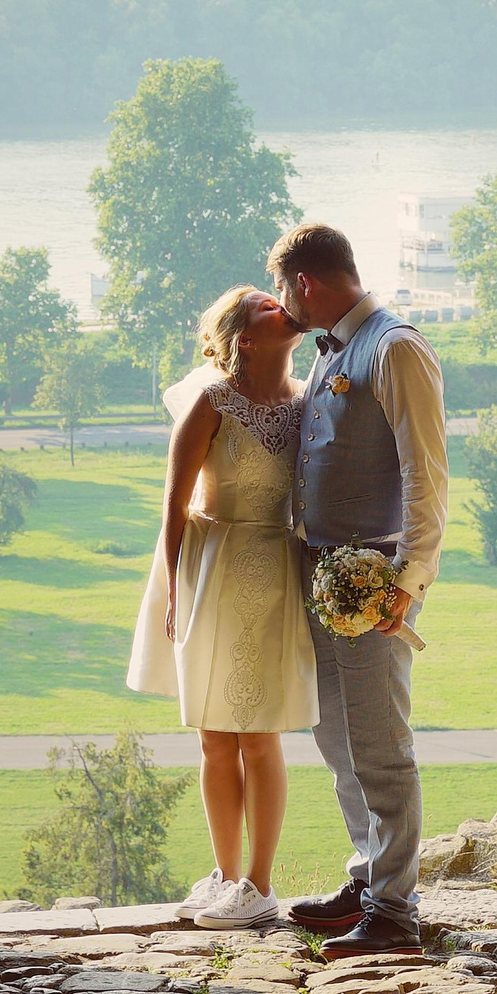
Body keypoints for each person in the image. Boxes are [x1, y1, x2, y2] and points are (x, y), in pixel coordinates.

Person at [268, 222, 448, 956]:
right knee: (336, 738)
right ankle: (367, 878)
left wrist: (406, 579)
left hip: (372, 586)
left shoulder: (394, 346)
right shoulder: (331, 350)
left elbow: (425, 474)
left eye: (284, 289)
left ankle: (395, 914)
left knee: (379, 743)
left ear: (306, 282)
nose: (283, 304)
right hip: (321, 581)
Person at [124, 285, 316, 929]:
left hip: (274, 570)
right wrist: (176, 593)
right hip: (208, 569)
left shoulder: (310, 401)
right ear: (245, 337)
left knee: (259, 733)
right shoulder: (210, 403)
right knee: (213, 735)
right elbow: (173, 506)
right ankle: (227, 875)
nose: (280, 304)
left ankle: (260, 887)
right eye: (264, 304)